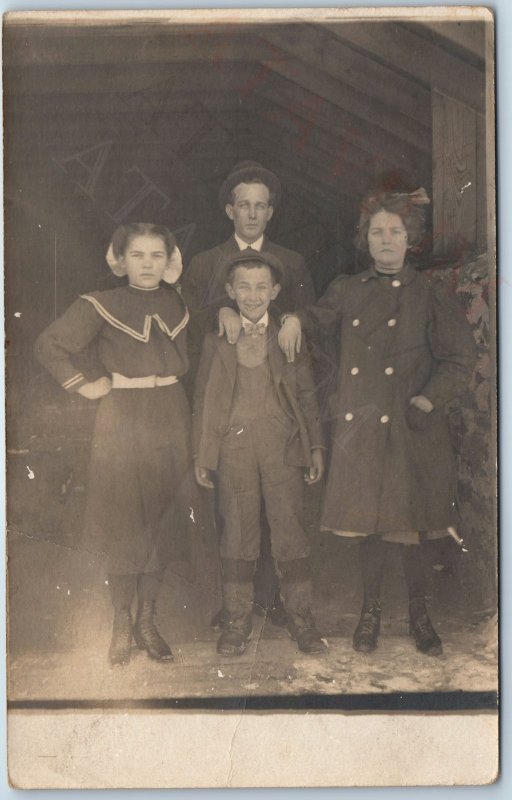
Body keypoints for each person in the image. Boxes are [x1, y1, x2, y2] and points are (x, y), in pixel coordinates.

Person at [278, 187, 477, 657]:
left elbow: (459, 357)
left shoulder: (429, 293)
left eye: (396, 232)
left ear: (411, 241)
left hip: (412, 429)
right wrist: (292, 318)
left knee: (414, 531)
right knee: (370, 528)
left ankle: (420, 616)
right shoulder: (347, 289)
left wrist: (429, 401)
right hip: (365, 429)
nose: (386, 240)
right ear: (364, 241)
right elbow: (316, 317)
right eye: (377, 232)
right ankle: (370, 613)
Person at [35, 223, 193, 667]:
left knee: (162, 522)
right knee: (125, 523)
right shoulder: (101, 304)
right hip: (123, 417)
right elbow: (48, 345)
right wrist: (83, 385)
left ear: (170, 260)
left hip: (172, 414)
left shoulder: (180, 301)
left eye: (156, 255)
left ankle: (148, 621)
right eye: (137, 255)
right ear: (119, 260)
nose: (147, 265)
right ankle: (121, 622)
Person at [183, 160, 316, 626]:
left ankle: (278, 602)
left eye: (261, 206)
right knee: (236, 513)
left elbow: (305, 339)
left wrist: (299, 319)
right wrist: (216, 312)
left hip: (276, 413)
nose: (252, 214)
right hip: (231, 408)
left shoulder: (292, 262)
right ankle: (235, 608)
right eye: (244, 205)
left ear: (271, 212)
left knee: (281, 512)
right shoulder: (204, 262)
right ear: (229, 210)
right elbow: (187, 333)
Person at [193, 250, 326, 656]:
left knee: (289, 532)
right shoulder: (216, 340)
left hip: (282, 448)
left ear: (276, 290)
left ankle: (301, 619)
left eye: (261, 286)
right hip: (234, 450)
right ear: (231, 291)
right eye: (244, 287)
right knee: (237, 533)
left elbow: (306, 395)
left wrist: (315, 446)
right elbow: (202, 399)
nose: (252, 296)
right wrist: (204, 453)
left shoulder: (288, 336)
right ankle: (237, 623)